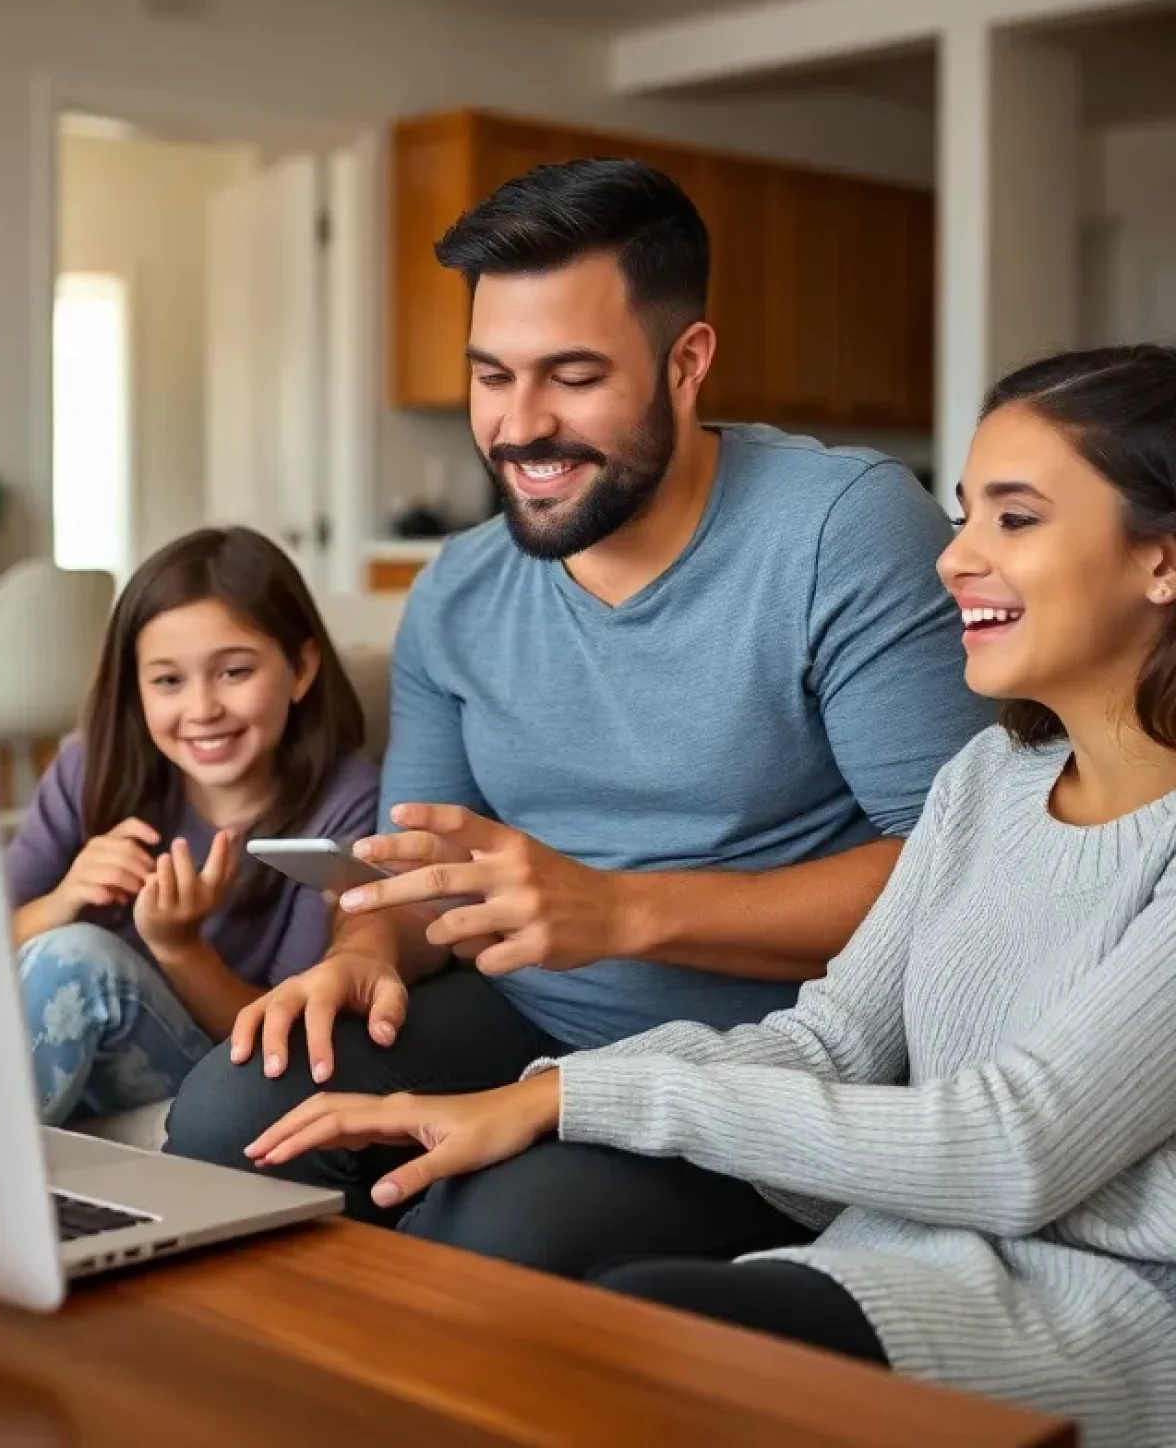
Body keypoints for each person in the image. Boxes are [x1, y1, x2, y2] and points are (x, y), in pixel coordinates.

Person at [248, 345, 1176, 1448]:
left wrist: (564, 1099)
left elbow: (1012, 1149)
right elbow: (831, 1039)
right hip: (890, 1256)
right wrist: (544, 1092)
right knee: (556, 1316)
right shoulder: (986, 784)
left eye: (1014, 521)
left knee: (613, 1337)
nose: (955, 559)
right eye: (966, 515)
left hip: (1091, 1321)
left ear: (1162, 562)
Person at [164, 158, 995, 1275]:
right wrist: (366, 950)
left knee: (495, 1231)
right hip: (534, 1018)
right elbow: (420, 868)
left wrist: (626, 912)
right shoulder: (457, 592)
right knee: (231, 1120)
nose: (519, 426)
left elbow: (969, 877)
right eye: (492, 375)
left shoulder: (839, 531)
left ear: (687, 363)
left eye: (572, 375)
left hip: (770, 1053)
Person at [6, 527, 379, 1125]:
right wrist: (62, 900)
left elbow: (285, 1034)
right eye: (168, 681)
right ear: (136, 687)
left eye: (234, 672)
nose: (202, 709)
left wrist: (179, 947)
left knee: (78, 960)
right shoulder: (92, 765)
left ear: (302, 668)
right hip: (61, 1052)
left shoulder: (344, 802)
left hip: (217, 1066)